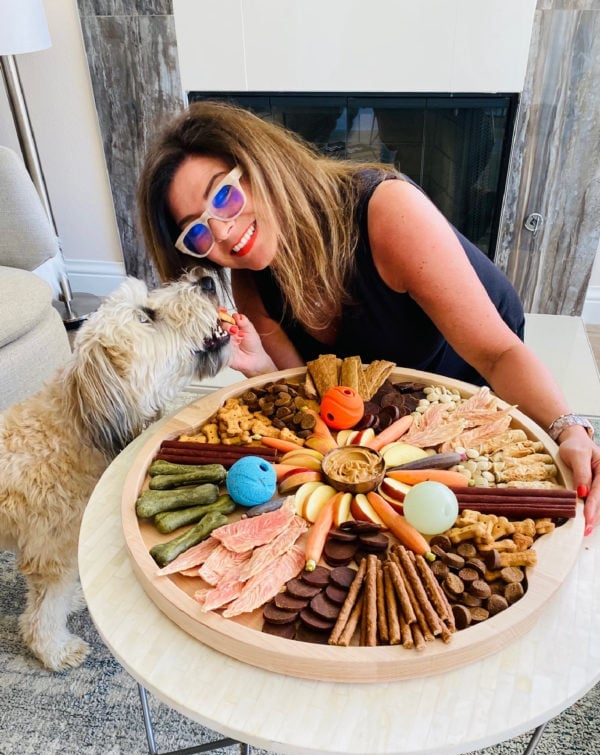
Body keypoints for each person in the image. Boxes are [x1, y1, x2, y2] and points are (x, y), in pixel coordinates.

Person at [138, 101, 599, 533]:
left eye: (224, 195)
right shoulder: (248, 275)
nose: (222, 231)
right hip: (372, 407)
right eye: (196, 231)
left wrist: (569, 428)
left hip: (464, 368)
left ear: (261, 165)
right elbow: (309, 388)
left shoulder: (387, 212)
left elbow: (497, 353)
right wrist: (259, 366)